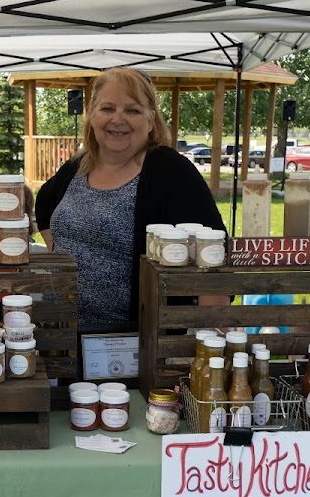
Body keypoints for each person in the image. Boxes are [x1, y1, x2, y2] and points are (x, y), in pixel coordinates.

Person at [35, 67, 227, 326]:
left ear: (150, 120)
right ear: (92, 116)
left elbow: (213, 257)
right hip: (60, 334)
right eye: (107, 108)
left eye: (132, 110)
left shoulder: (171, 171)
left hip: (134, 345)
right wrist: (61, 253)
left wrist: (208, 339)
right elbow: (45, 202)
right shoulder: (77, 166)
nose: (118, 119)